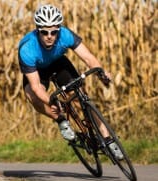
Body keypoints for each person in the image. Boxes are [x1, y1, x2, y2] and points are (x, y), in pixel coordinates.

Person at [18, 4, 123, 159]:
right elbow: (36, 87)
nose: (49, 36)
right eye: (44, 32)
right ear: (37, 30)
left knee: (80, 96)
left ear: (58, 30)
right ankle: (60, 120)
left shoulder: (65, 35)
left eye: (54, 32)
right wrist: (51, 101)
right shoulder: (27, 49)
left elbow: (88, 58)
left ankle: (108, 139)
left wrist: (102, 72)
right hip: (37, 70)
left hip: (59, 63)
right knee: (32, 96)